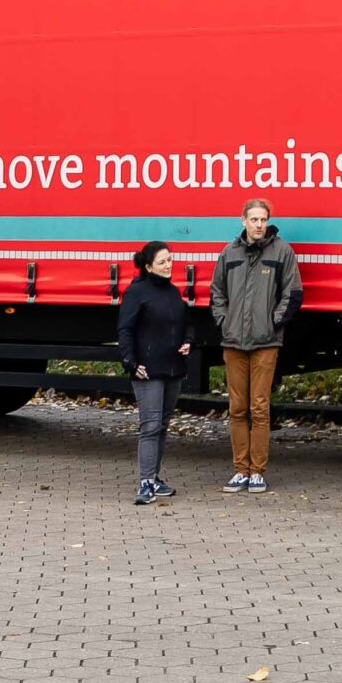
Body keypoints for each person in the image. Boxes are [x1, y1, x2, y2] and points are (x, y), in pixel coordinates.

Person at [209, 197, 300, 493]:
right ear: (243, 221)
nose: (259, 225)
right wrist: (225, 320)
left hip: (265, 342)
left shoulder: (282, 252)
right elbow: (217, 291)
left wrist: (273, 323)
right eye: (254, 220)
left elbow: (293, 292)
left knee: (259, 409)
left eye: (263, 219)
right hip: (233, 341)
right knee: (237, 408)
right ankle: (240, 470)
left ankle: (257, 471)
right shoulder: (229, 253)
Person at [115, 240, 194, 504]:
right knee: (149, 426)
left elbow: (186, 323)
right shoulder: (137, 293)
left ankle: (155, 478)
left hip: (173, 369)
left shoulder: (173, 292)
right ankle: (146, 482)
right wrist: (130, 362)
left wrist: (187, 341)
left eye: (170, 260)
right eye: (162, 262)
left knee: (162, 425)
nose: (168, 265)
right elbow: (125, 329)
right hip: (147, 370)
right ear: (148, 266)